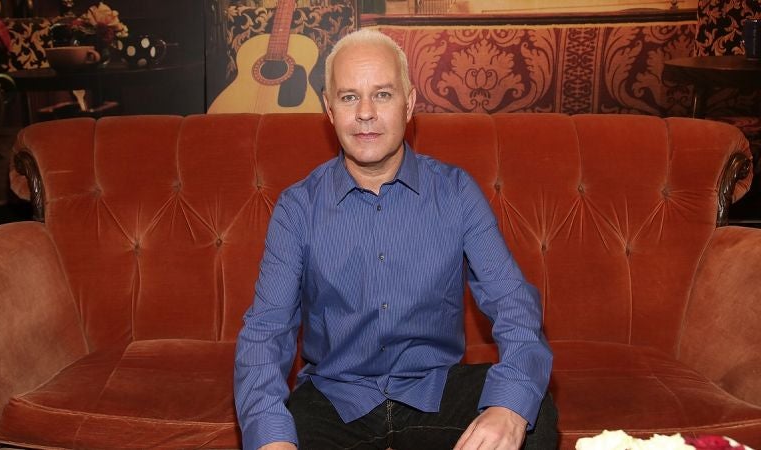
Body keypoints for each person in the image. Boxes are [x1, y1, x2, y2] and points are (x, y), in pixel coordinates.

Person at [234, 29, 558, 450]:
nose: (365, 113)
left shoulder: (456, 192)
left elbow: (513, 303)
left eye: (383, 94)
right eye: (349, 97)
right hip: (334, 400)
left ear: (409, 103)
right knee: (276, 435)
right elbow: (266, 331)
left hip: (436, 391)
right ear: (329, 109)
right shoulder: (298, 207)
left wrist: (509, 408)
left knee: (533, 415)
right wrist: (271, 440)